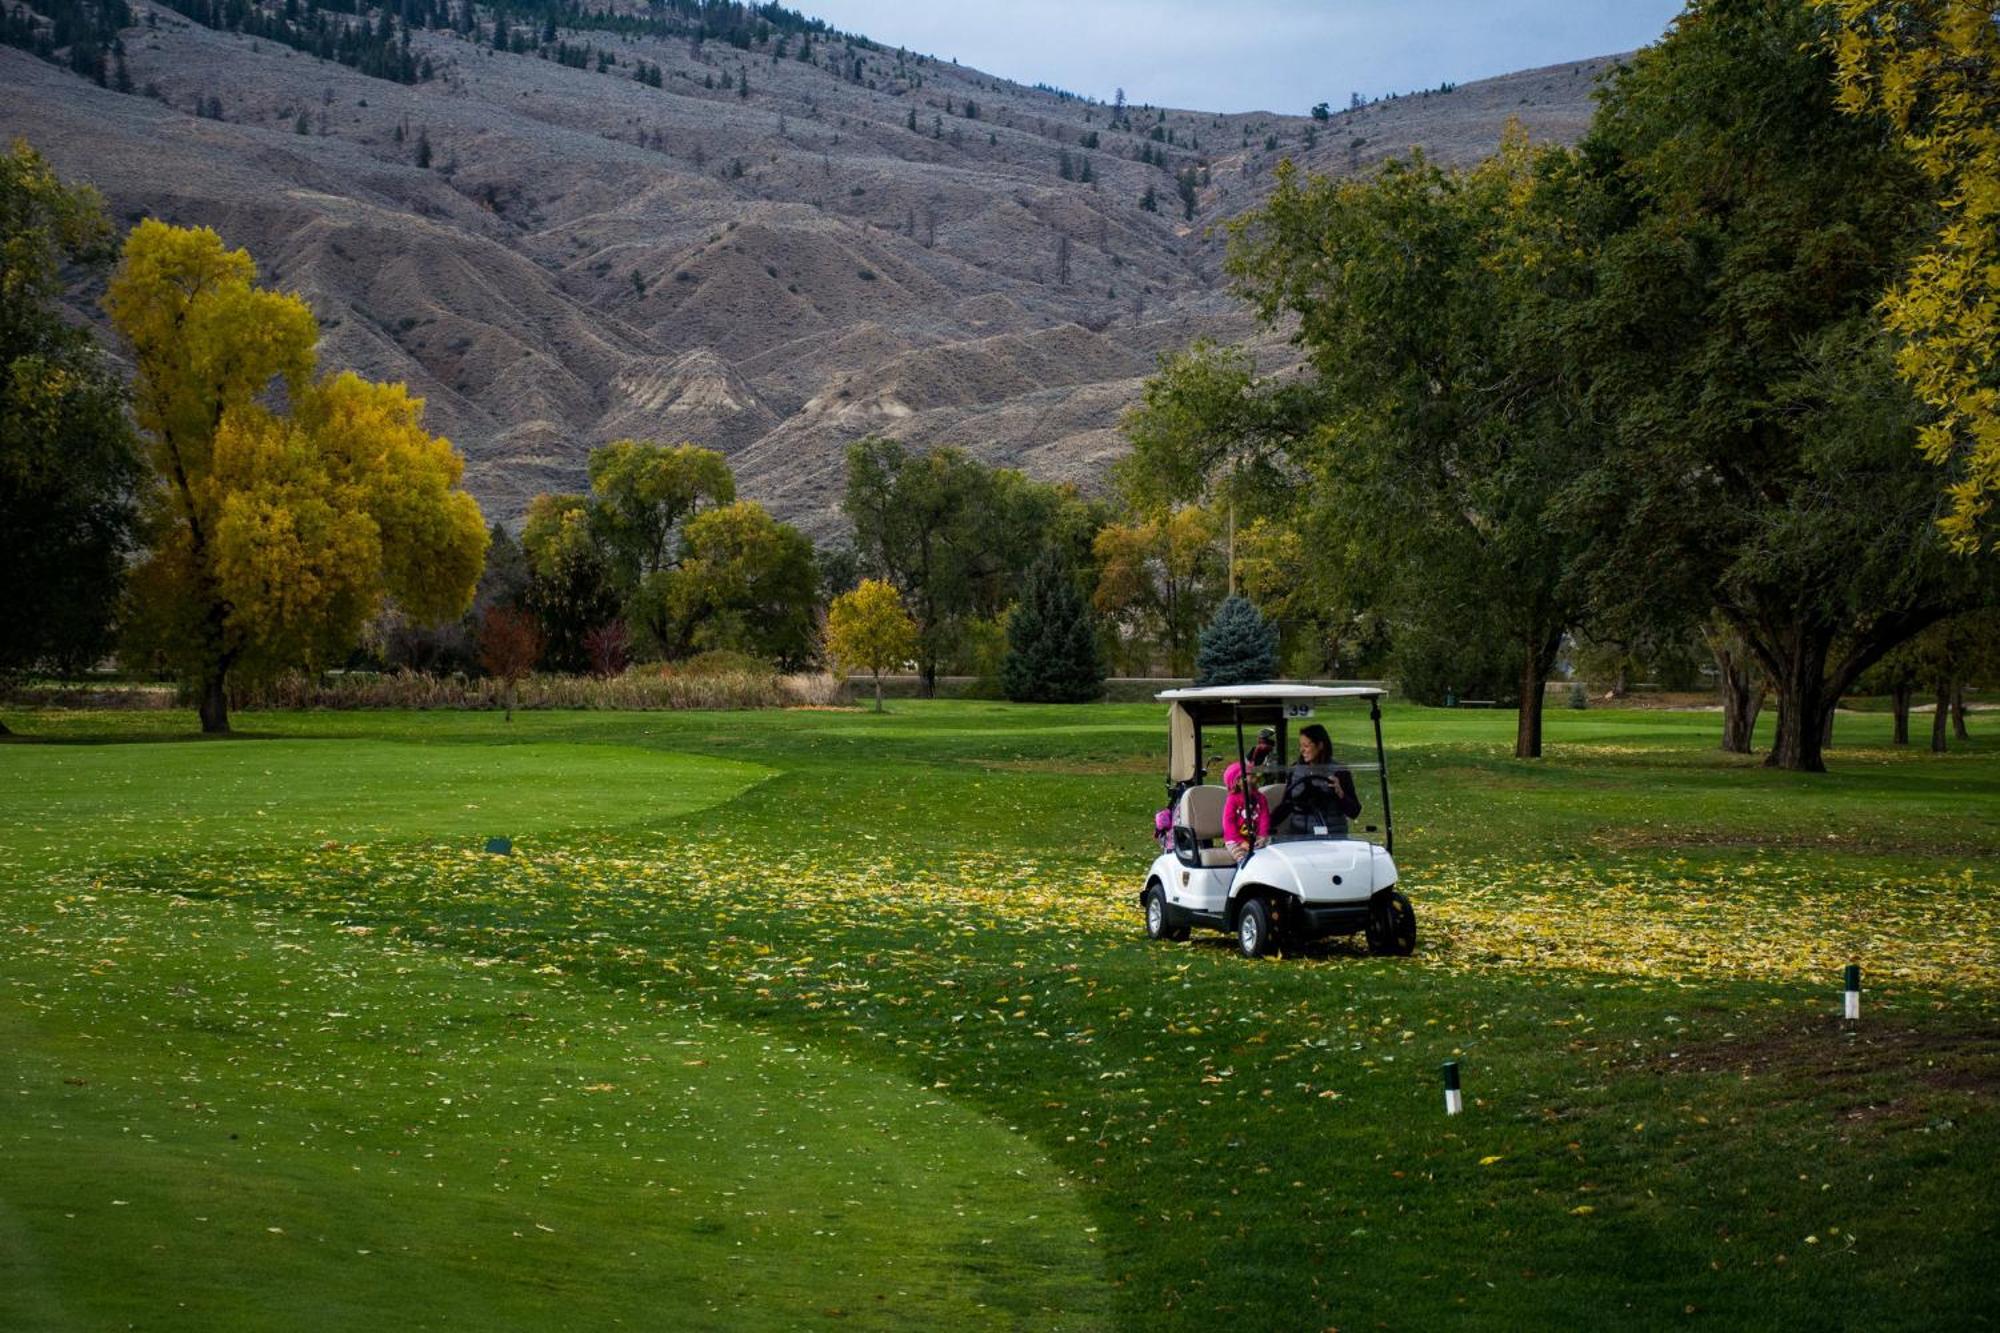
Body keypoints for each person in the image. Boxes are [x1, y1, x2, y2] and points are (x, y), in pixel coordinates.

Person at [1271, 722, 1361, 839]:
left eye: (1306, 746)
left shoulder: (1340, 772)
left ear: (1320, 745)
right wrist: (1261, 826)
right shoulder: (1295, 770)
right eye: (1301, 746)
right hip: (1300, 836)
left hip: (1332, 837)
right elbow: (1286, 806)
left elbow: (1354, 812)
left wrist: (1340, 794)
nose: (1302, 750)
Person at [1220, 760, 1270, 863]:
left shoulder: (1260, 798)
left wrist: (1262, 835)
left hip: (1255, 838)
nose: (1252, 775)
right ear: (1237, 781)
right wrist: (1240, 842)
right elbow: (1228, 822)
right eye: (1248, 774)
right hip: (1235, 840)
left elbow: (1264, 818)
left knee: (1271, 851)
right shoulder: (1232, 800)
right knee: (1242, 858)